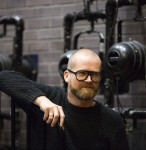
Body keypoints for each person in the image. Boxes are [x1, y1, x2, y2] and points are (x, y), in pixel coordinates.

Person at [0, 49, 129, 150]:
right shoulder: (50, 98)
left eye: (95, 74)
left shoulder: (112, 120)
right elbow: (4, 77)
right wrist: (42, 101)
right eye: (82, 73)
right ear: (67, 75)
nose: (89, 80)